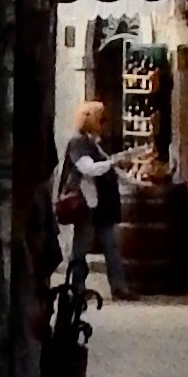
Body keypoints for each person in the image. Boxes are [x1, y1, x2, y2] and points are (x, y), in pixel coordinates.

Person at [54, 93, 122, 295]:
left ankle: (119, 286)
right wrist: (113, 162)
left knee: (110, 245)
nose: (105, 124)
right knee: (81, 248)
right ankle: (77, 286)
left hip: (99, 203)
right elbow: (88, 168)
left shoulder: (95, 143)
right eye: (101, 119)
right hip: (85, 202)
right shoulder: (79, 143)